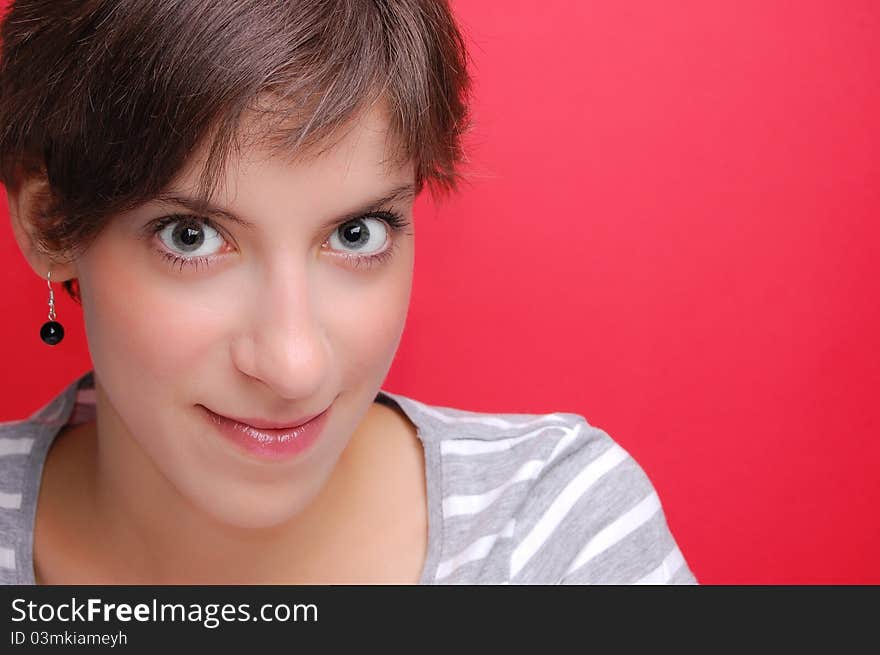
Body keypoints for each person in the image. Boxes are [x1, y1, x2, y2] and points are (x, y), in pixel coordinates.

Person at [0, 0, 696, 585]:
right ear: (48, 222)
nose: (293, 364)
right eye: (192, 236)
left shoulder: (553, 538)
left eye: (356, 233)